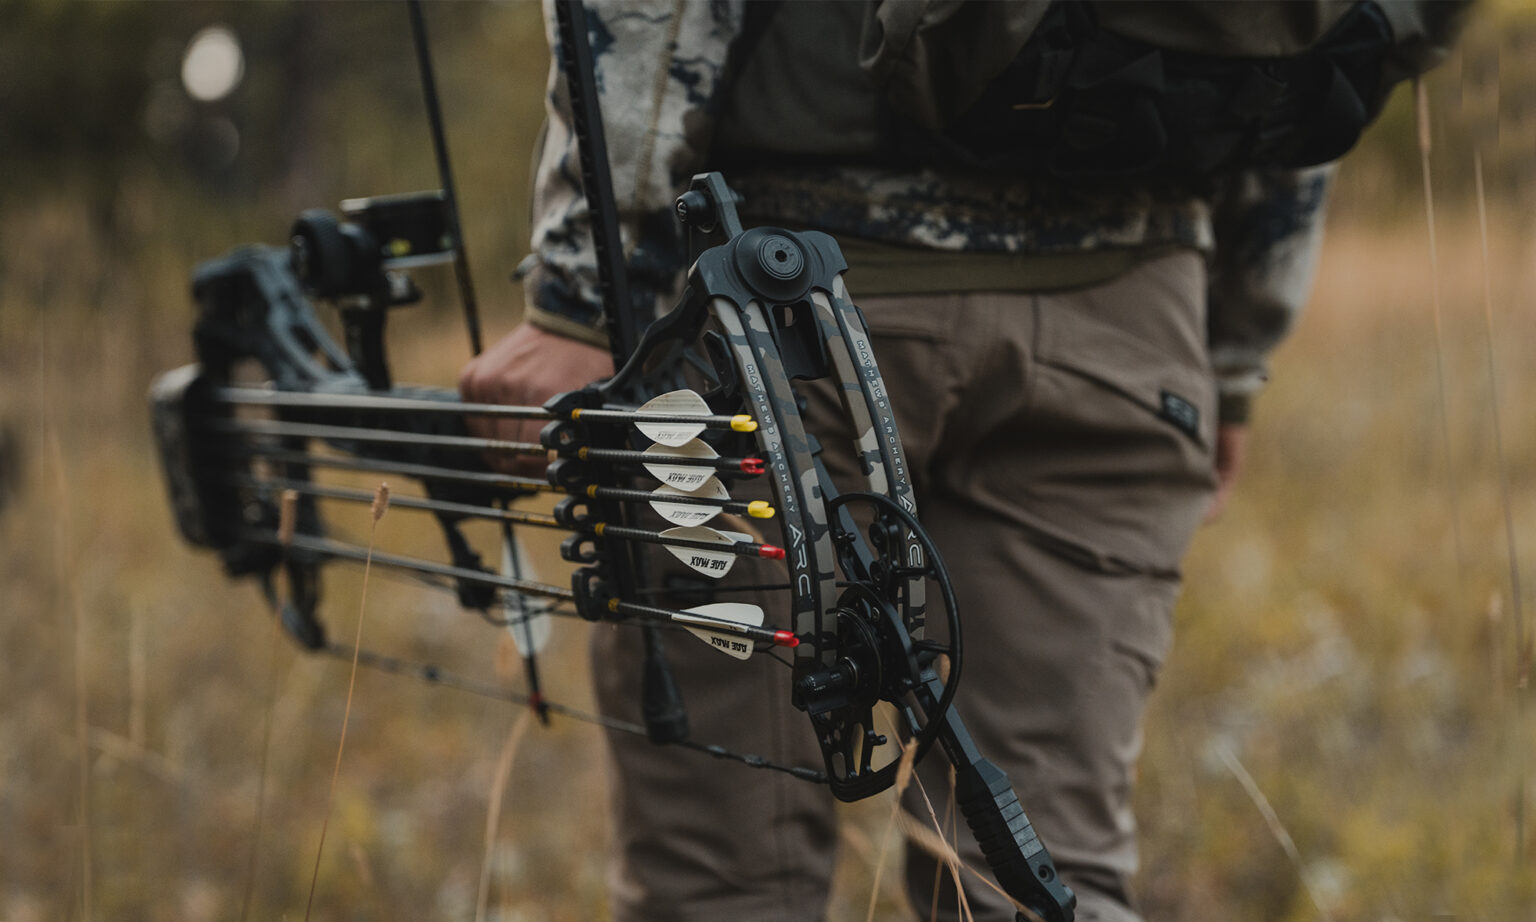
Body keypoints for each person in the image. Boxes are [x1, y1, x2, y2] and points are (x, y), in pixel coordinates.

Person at [458, 2, 1452, 919]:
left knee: (724, 884)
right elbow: (1300, 43)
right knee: (1037, 874)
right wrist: (1233, 349)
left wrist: (585, 293)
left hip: (767, 310)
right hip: (1119, 327)